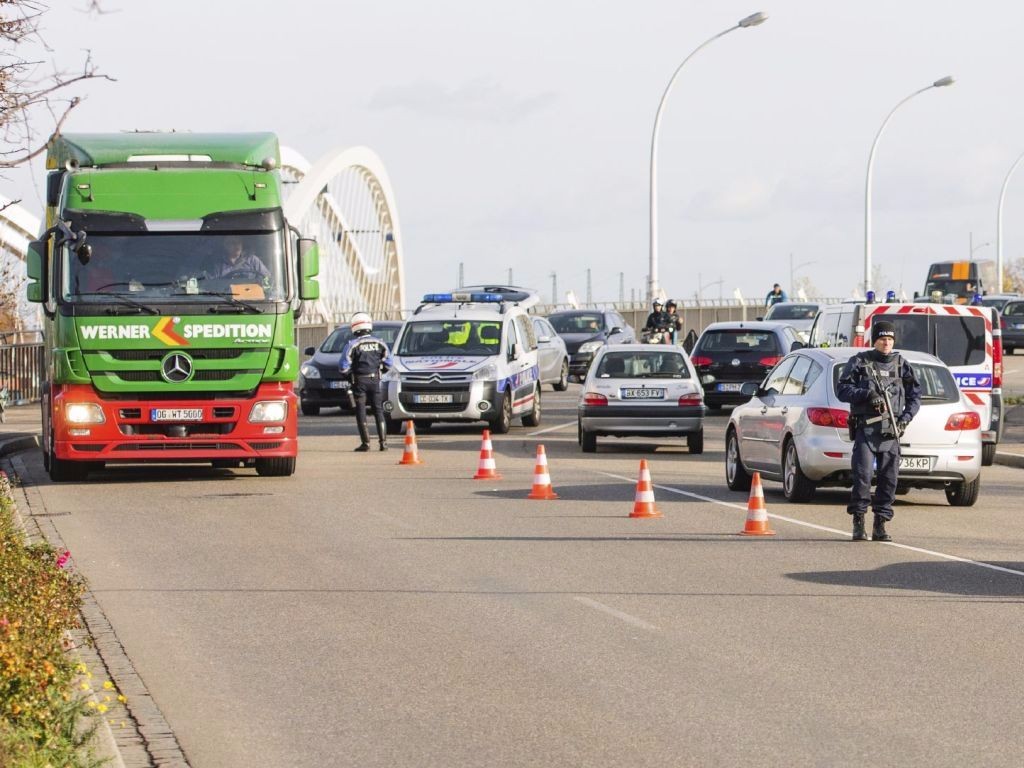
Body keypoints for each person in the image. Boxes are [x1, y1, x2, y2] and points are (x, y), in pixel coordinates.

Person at [835, 320, 921, 542]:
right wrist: (866, 395)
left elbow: (915, 397)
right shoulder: (860, 362)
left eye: (890, 339)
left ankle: (880, 525)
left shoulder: (902, 364)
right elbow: (842, 390)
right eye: (883, 339)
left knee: (889, 479)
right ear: (875, 340)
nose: (886, 343)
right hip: (866, 428)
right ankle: (859, 522)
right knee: (862, 476)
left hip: (891, 431)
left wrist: (905, 419)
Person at [340, 312, 394, 452]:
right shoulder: (380, 343)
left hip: (359, 381)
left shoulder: (353, 344)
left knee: (361, 411)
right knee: (378, 411)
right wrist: (380, 373)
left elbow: (343, 366)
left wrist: (350, 377)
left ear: (354, 327)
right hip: (375, 380)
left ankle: (366, 443)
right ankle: (383, 443)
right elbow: (389, 363)